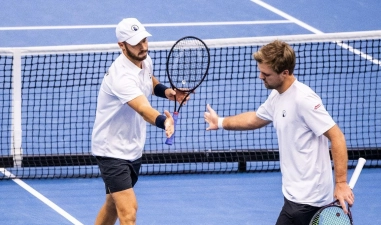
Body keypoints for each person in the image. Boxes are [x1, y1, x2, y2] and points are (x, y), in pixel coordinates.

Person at [204, 40, 354, 225]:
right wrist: (220, 122)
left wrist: (340, 183)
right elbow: (255, 119)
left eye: (266, 74)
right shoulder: (277, 95)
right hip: (293, 195)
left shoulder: (304, 100)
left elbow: (337, 136)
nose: (261, 77)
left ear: (285, 73)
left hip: (308, 200)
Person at [91, 18, 188, 225]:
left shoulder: (144, 59)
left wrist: (169, 93)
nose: (143, 46)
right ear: (121, 45)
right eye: (136, 43)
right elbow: (143, 109)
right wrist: (164, 122)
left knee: (112, 205)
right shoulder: (121, 77)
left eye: (144, 40)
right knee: (129, 212)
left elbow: (149, 81)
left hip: (132, 147)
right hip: (111, 150)